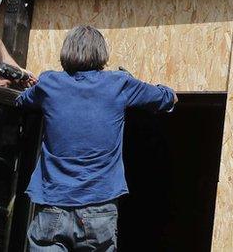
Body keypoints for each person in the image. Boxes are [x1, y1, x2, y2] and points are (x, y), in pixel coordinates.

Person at [16, 25, 177, 251]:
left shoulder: (49, 83)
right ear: (102, 53)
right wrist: (138, 82)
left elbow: (21, 101)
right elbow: (167, 98)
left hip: (53, 205)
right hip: (99, 209)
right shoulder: (119, 83)